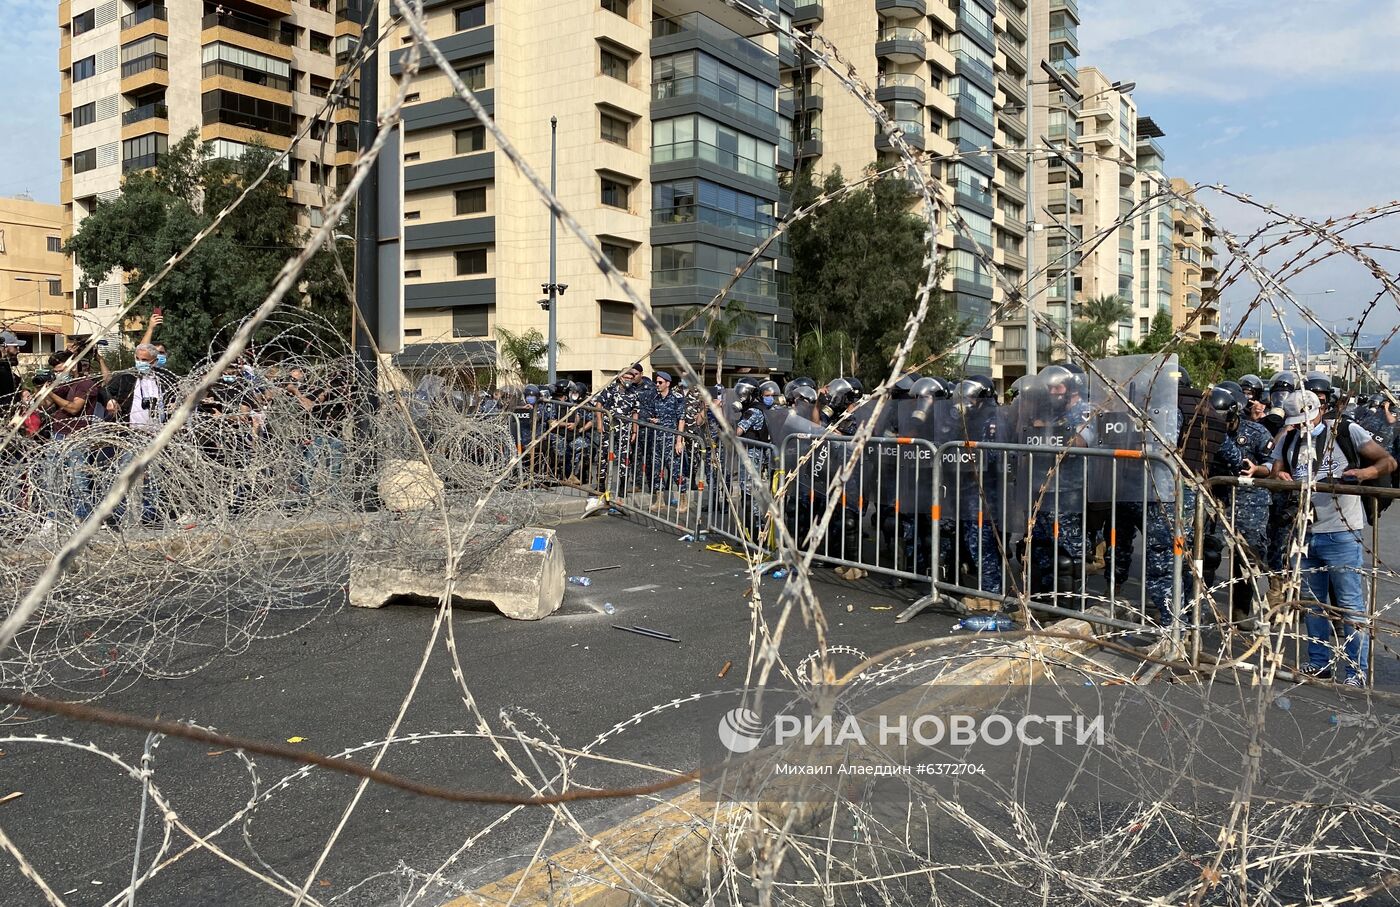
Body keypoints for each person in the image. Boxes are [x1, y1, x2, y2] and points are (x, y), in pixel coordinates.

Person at [1270, 390, 1396, 686]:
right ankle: (1319, 662)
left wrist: (1364, 473)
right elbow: (1276, 466)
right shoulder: (1289, 438)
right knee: (1314, 605)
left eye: (1304, 420)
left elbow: (1387, 462)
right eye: (1295, 421)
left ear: (1318, 411)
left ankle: (1356, 671)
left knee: (1350, 604)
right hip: (1305, 530)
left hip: (1341, 530)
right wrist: (1279, 476)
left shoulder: (1345, 430)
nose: (1300, 426)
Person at [640, 370, 688, 512]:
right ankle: (659, 500)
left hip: (671, 439)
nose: (657, 384)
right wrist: (653, 419)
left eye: (660, 382)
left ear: (668, 383)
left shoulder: (676, 398)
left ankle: (683, 500)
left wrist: (679, 441)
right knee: (657, 471)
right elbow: (648, 413)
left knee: (676, 472)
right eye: (657, 382)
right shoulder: (655, 398)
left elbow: (681, 419)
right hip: (657, 439)